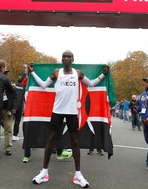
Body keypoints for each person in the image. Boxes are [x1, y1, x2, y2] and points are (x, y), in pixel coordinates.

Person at [30, 50, 109, 188]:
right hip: (57, 111)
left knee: (75, 143)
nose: (66, 58)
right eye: (64, 57)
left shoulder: (77, 73)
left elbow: (90, 84)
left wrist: (103, 74)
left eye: (69, 57)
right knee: (50, 141)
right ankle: (44, 172)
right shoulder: (56, 72)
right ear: (62, 59)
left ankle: (78, 175)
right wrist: (31, 72)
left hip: (72, 112)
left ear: (73, 59)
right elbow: (43, 85)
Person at [12, 74, 26, 141]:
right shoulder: (24, 87)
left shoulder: (14, 86)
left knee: (9, 120)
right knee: (17, 121)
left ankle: (8, 133)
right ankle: (15, 135)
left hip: (13, 106)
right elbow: (24, 98)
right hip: (20, 106)